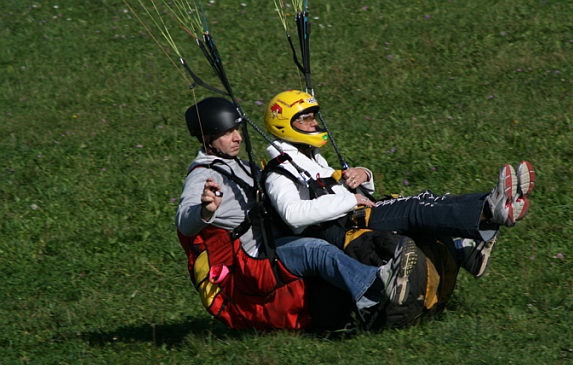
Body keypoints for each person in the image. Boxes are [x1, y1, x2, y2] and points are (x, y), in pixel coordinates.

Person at [175, 97, 446, 331]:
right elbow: (184, 223)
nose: (238, 137)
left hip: (275, 241)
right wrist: (205, 210)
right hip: (254, 258)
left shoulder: (241, 165)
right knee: (315, 251)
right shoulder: (203, 175)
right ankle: (376, 289)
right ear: (207, 138)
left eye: (237, 129)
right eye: (227, 133)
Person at [262, 90, 536, 278]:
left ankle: (489, 210)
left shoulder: (309, 156)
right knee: (416, 207)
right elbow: (293, 215)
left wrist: (363, 175)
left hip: (353, 215)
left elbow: (335, 189)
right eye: (306, 119)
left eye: (314, 116)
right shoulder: (279, 171)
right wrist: (350, 199)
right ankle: (489, 211)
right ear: (285, 125)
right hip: (344, 227)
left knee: (426, 201)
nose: (314, 123)